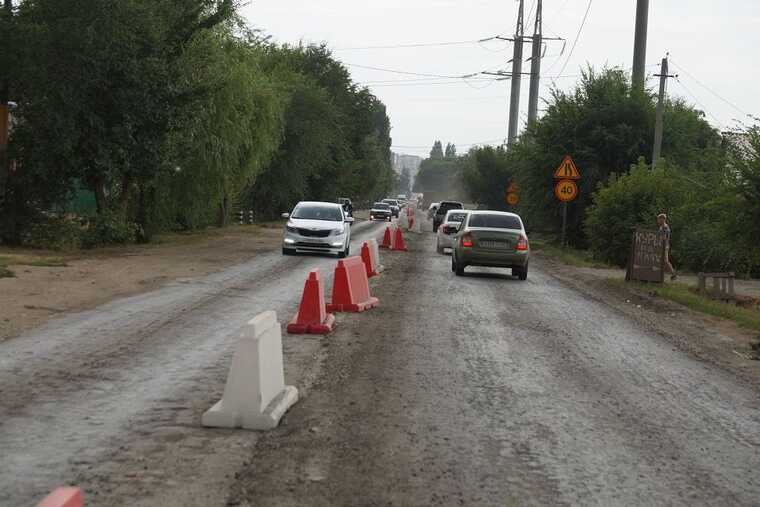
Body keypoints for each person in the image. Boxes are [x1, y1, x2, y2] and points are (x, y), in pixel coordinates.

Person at [657, 213, 677, 281]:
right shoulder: (662, 227)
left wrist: (660, 243)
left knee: (665, 261)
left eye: (659, 219)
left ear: (663, 219)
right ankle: (660, 274)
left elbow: (664, 238)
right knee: (661, 260)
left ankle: (673, 274)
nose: (658, 220)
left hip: (664, 246)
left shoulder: (665, 227)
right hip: (662, 245)